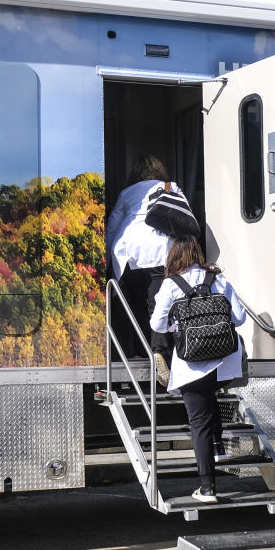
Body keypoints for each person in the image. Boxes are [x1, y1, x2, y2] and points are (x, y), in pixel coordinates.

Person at [149, 236, 246, 503]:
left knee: (198, 421)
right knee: (210, 399)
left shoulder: (171, 284)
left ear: (174, 256)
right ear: (197, 254)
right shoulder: (218, 279)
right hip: (223, 358)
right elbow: (238, 317)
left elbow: (158, 324)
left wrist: (176, 326)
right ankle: (218, 445)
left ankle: (207, 488)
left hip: (191, 360)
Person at [106, 155, 186, 386]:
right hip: (160, 252)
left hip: (127, 253)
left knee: (135, 305)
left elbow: (112, 228)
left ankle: (138, 350)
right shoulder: (170, 188)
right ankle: (159, 351)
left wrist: (104, 259)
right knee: (159, 305)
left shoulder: (127, 193)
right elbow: (185, 218)